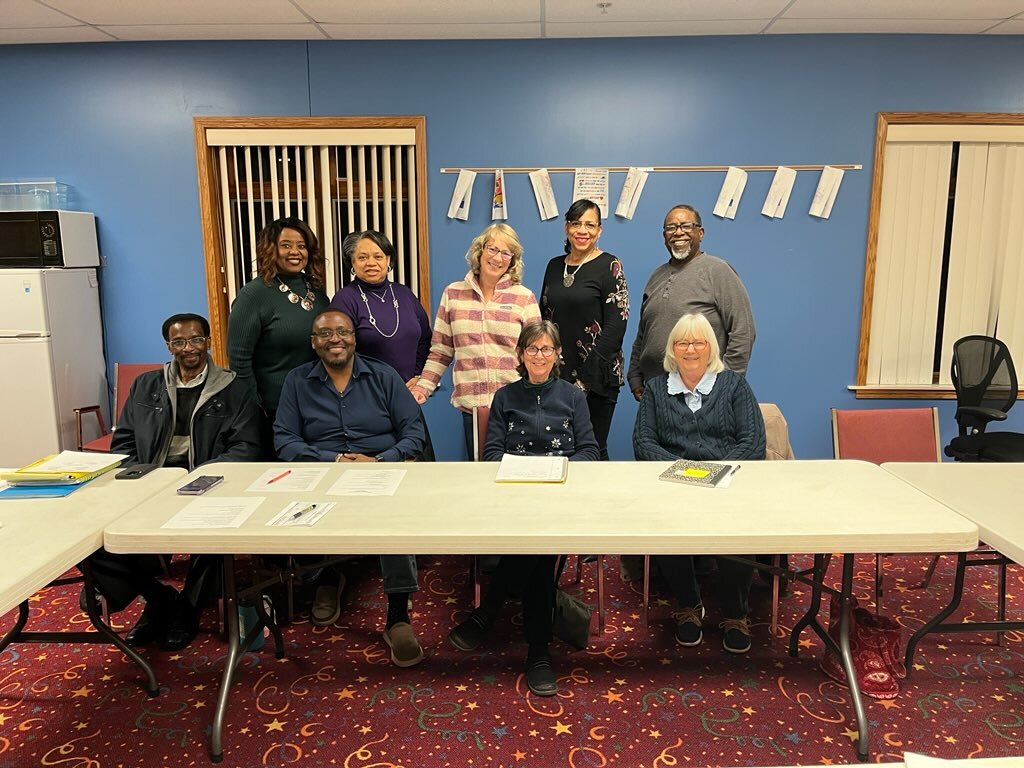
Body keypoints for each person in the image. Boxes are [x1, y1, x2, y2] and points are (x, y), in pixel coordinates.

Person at [85, 313, 263, 651]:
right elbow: (123, 442)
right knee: (95, 534)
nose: (189, 348)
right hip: (152, 481)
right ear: (169, 346)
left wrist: (199, 477)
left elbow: (246, 448)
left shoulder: (235, 388)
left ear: (208, 341)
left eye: (196, 339)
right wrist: (139, 479)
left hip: (210, 481)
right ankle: (161, 597)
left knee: (215, 533)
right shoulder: (145, 386)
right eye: (179, 342)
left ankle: (190, 607)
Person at [447, 321, 599, 696]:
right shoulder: (505, 397)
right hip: (514, 492)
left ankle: (492, 612)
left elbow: (590, 450)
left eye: (548, 349)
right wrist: (519, 473)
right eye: (532, 349)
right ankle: (538, 651)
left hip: (559, 493)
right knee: (539, 554)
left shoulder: (573, 396)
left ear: (558, 354)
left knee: (536, 549)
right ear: (520, 355)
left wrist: (560, 472)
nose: (540, 356)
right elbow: (492, 452)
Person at [273, 308, 426, 667]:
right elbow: (284, 439)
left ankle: (398, 616)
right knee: (296, 510)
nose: (335, 340)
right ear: (314, 343)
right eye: (325, 335)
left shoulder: (383, 376)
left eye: (342, 332)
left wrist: (382, 461)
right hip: (323, 469)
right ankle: (328, 574)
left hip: (380, 466)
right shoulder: (297, 381)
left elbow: (414, 432)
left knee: (393, 519)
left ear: (354, 338)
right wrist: (334, 461)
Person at [633, 313, 766, 654]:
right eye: (682, 342)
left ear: (711, 348)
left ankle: (736, 613)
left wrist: (713, 475)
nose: (690, 349)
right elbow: (644, 442)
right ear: (672, 349)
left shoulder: (734, 385)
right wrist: (683, 473)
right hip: (674, 485)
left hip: (728, 484)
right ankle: (689, 604)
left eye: (698, 342)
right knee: (666, 526)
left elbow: (752, 442)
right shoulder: (654, 389)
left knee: (740, 528)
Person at [411, 224, 541, 458]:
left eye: (506, 253)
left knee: (518, 475)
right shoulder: (453, 294)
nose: (497, 258)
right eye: (492, 249)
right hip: (472, 406)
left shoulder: (524, 297)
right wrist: (423, 386)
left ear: (512, 260)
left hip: (516, 404)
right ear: (479, 251)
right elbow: (441, 351)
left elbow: (536, 353)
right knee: (481, 476)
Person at [627, 204, 755, 402]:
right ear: (664, 236)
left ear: (700, 233)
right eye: (671, 228)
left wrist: (728, 383)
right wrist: (635, 376)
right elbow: (644, 333)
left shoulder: (717, 270)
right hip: (655, 392)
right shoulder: (656, 276)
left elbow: (743, 330)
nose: (678, 233)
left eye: (686, 226)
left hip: (701, 393)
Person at [540, 199, 629, 461]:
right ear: (567, 227)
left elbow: (617, 324)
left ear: (599, 230)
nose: (583, 230)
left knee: (592, 450)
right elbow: (545, 318)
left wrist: (585, 379)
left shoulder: (610, 265)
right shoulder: (554, 266)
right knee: (560, 449)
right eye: (576, 223)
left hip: (598, 376)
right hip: (557, 375)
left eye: (590, 224)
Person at [227, 216, 330, 428]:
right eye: (286, 245)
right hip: (273, 410)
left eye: (301, 246)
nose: (295, 252)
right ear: (270, 250)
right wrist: (255, 409)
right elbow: (239, 360)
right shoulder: (253, 295)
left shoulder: (318, 293)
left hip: (317, 404)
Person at [329, 230, 432, 386]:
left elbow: (425, 339)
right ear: (352, 262)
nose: (371, 263)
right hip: (365, 394)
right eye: (363, 257)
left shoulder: (404, 293)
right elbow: (337, 352)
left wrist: (418, 376)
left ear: (388, 260)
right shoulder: (344, 300)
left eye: (378, 256)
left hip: (408, 392)